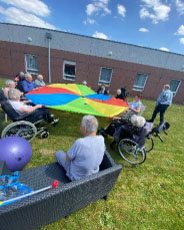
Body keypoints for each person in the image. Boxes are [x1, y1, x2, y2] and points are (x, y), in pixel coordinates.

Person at [55, 115, 105, 181]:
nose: (80, 127)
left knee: (58, 153)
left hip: (76, 177)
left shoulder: (80, 143)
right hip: (93, 174)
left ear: (84, 128)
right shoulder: (101, 139)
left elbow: (68, 158)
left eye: (81, 125)